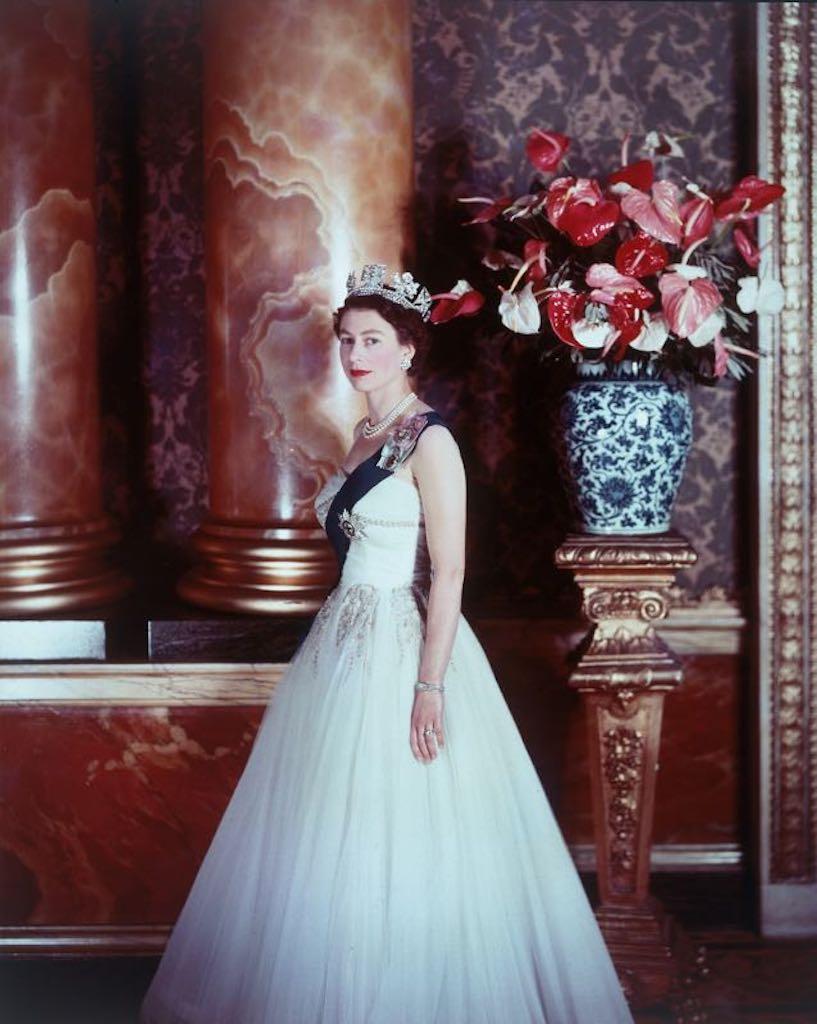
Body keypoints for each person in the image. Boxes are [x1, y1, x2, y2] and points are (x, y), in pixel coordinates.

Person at [140, 264, 635, 1024]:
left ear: (408, 350)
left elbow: (450, 570)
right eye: (345, 341)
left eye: (372, 340)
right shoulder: (363, 434)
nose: (354, 354)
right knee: (327, 832)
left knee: (400, 824)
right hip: (342, 645)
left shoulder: (428, 440)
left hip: (406, 649)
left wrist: (428, 685)